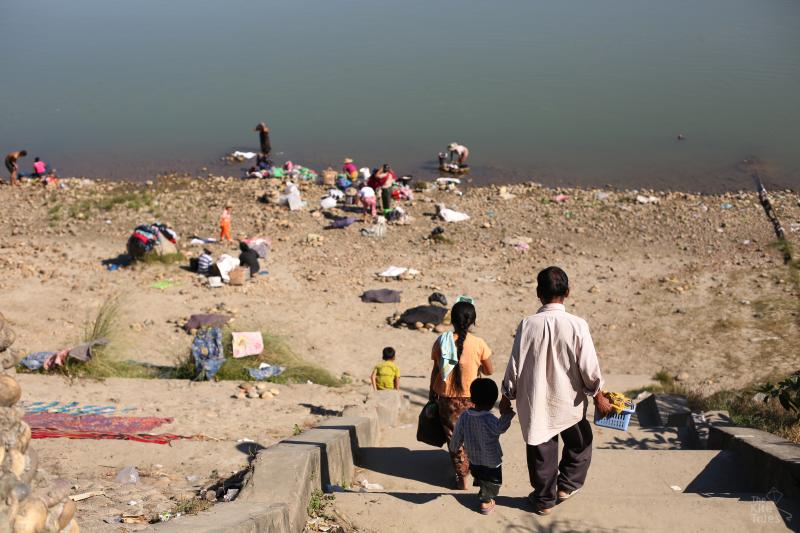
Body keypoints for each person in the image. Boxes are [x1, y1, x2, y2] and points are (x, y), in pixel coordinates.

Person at [501, 266, 613, 516]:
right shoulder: (577, 324)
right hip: (569, 402)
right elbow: (589, 366)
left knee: (542, 451)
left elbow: (515, 364)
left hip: (536, 401)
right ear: (568, 292)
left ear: (538, 293)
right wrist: (598, 395)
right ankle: (567, 485)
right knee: (580, 442)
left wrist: (506, 396)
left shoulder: (527, 324)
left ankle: (543, 500)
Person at [429, 301, 493, 489]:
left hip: (447, 399)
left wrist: (432, 393)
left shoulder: (442, 340)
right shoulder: (478, 343)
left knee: (454, 439)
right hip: (473, 398)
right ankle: (479, 475)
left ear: (452, 320)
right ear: (472, 321)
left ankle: (462, 479)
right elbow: (489, 371)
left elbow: (436, 369)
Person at [450, 378, 515, 514]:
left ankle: (483, 490)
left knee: (480, 475)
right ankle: (485, 502)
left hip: (473, 458)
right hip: (491, 460)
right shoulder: (490, 419)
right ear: (492, 402)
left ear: (472, 397)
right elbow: (501, 427)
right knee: (493, 481)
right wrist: (507, 414)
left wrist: (454, 447)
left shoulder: (464, 417)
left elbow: (457, 435)